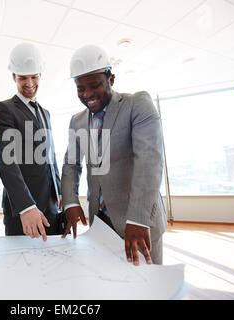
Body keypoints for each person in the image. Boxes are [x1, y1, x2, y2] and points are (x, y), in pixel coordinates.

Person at [61, 44, 167, 265]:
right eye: (81, 88)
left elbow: (149, 160)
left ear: (111, 79)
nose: (87, 94)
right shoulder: (77, 121)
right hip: (100, 226)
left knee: (147, 290)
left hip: (138, 223)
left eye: (94, 85)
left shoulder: (137, 105)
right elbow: (71, 164)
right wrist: (70, 202)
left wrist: (138, 218)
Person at [0, 43, 62, 241]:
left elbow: (51, 155)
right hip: (24, 207)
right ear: (13, 77)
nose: (29, 83)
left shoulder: (45, 113)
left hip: (51, 204)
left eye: (34, 76)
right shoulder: (4, 109)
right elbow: (6, 160)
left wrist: (58, 189)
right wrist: (26, 205)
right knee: (23, 266)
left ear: (40, 75)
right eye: (23, 78)